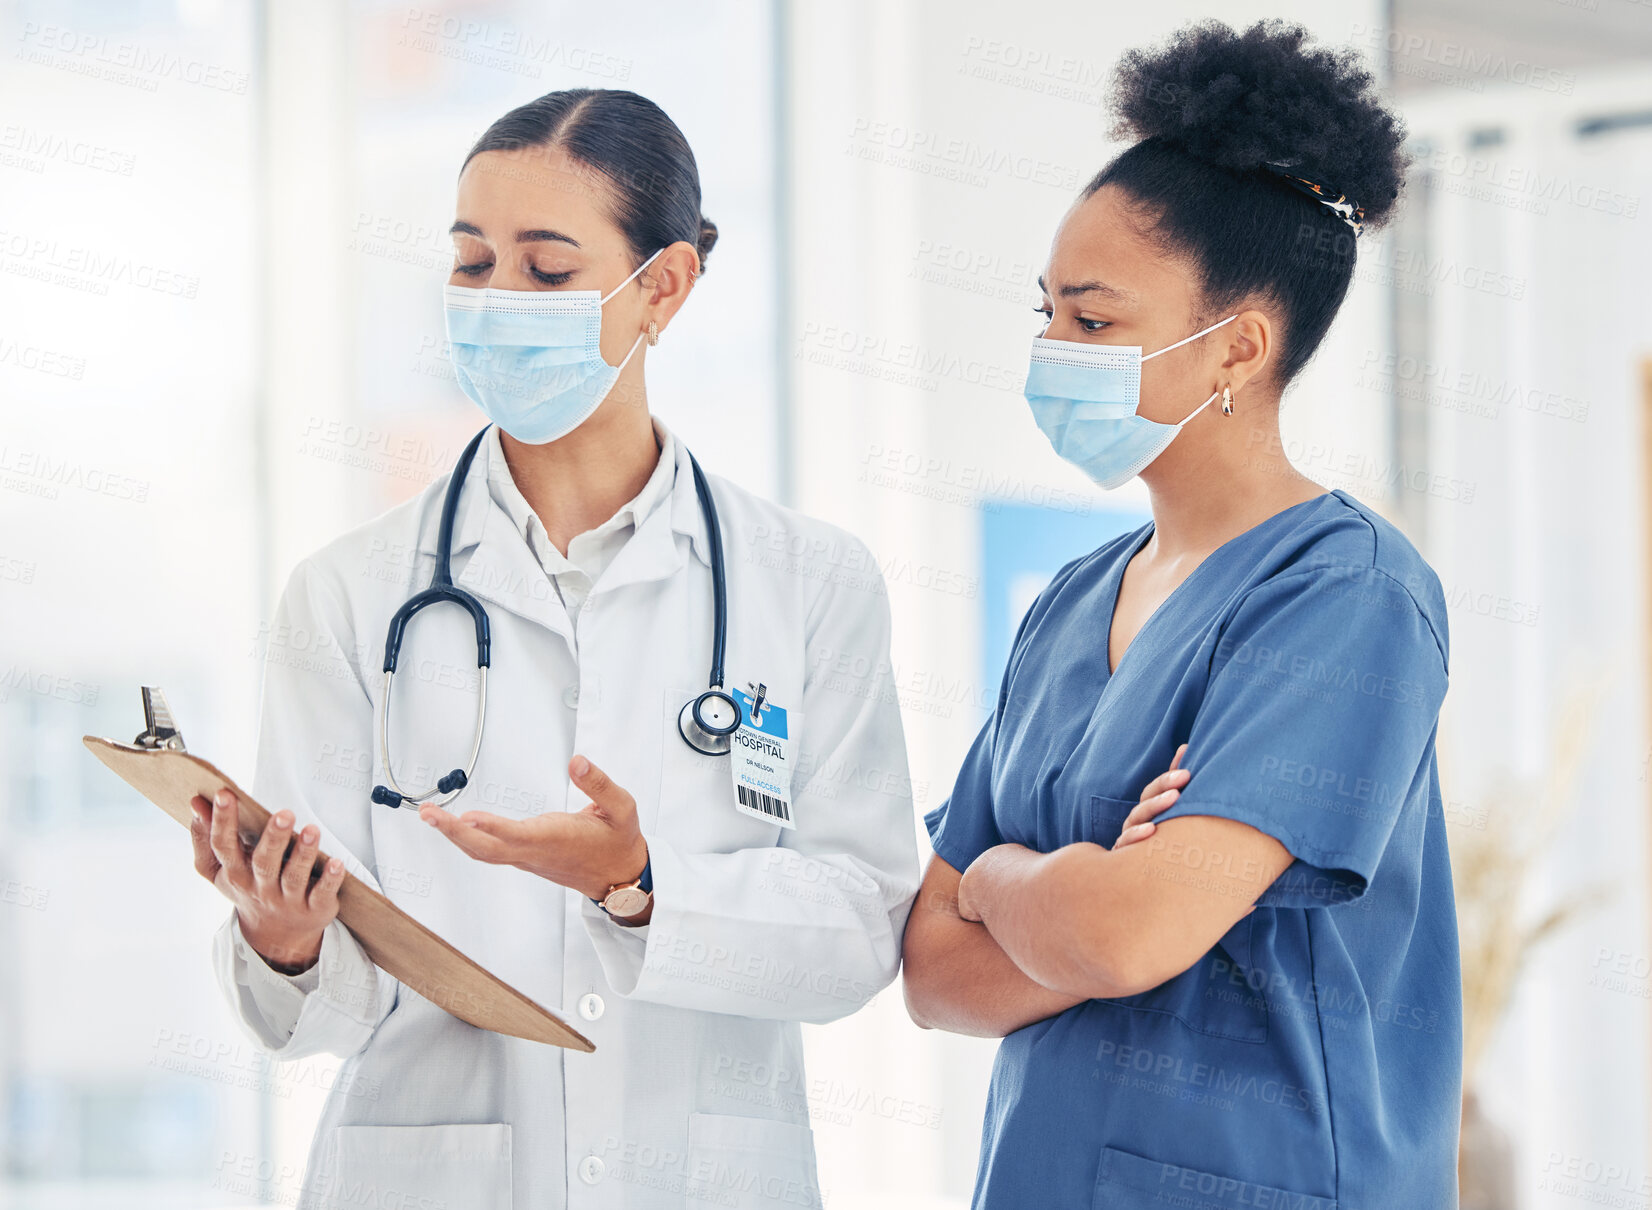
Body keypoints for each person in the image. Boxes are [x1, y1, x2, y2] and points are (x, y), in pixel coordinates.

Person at [187, 88, 919, 1210]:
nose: (494, 301)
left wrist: (637, 887)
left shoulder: (811, 582)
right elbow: (335, 1011)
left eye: (544, 268)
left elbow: (855, 935)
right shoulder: (346, 594)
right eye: (472, 263)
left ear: (661, 288)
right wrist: (285, 938)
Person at [902, 20, 1459, 1209]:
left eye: (1093, 322)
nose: (1052, 349)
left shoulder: (1343, 594)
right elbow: (933, 975)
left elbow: (1120, 939)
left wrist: (1000, 876)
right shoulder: (1067, 604)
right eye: (1046, 311)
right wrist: (1083, 886)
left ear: (1238, 349)